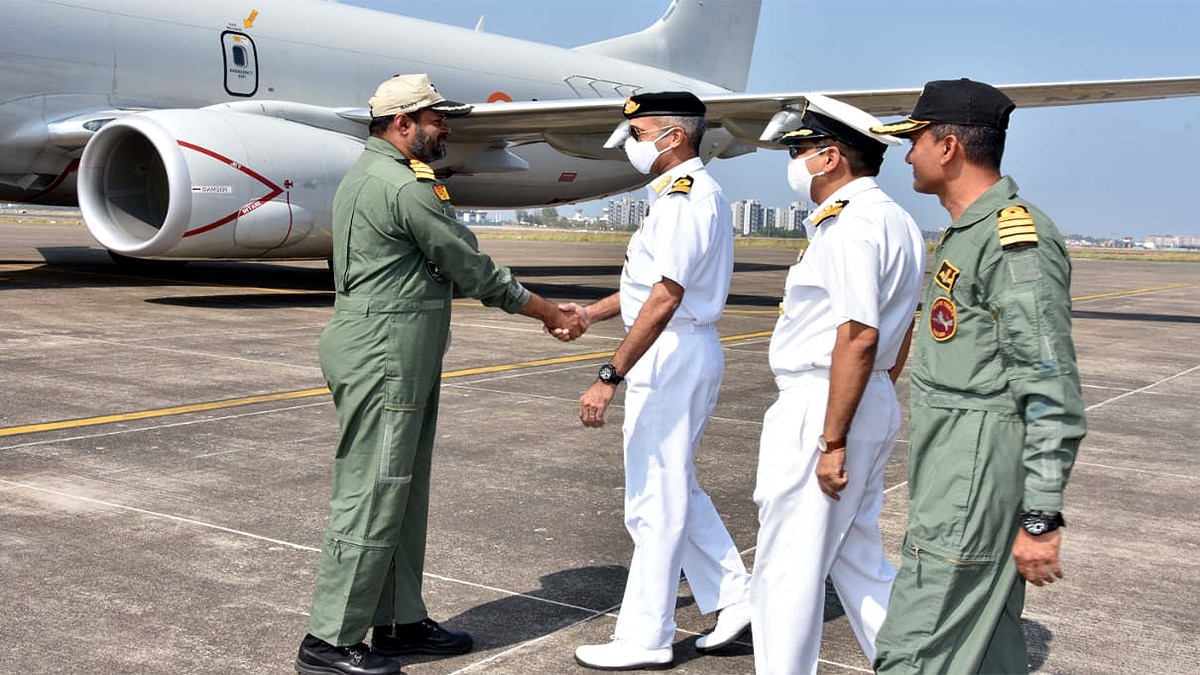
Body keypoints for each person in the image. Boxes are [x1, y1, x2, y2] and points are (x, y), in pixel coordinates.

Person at [296, 74, 584, 675]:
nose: (446, 128)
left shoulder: (372, 175)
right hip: (385, 352)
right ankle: (330, 640)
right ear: (403, 124)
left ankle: (399, 622)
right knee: (373, 490)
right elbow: (470, 265)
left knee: (400, 487)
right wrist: (548, 311)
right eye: (435, 119)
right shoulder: (402, 188)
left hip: (398, 349)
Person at [868, 78, 1086, 675]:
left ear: (947, 147)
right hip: (955, 462)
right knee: (987, 648)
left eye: (914, 139)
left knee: (914, 650)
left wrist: (1041, 513)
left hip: (974, 471)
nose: (907, 153)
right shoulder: (970, 233)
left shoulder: (1014, 241)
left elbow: (1049, 385)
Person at [564, 91, 752, 671]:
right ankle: (736, 594)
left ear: (672, 137)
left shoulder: (686, 200)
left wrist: (609, 374)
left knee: (654, 500)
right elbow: (652, 284)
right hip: (675, 351)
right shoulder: (677, 196)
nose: (632, 147)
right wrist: (591, 314)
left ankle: (646, 637)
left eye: (638, 134)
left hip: (671, 355)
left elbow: (667, 298)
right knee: (673, 486)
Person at [748, 95, 925, 675]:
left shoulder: (850, 224)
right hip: (862, 398)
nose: (794, 161)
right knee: (858, 558)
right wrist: (871, 398)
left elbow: (859, 334)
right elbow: (900, 330)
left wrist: (833, 437)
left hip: (824, 404)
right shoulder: (898, 220)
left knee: (786, 569)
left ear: (830, 158)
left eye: (800, 149)